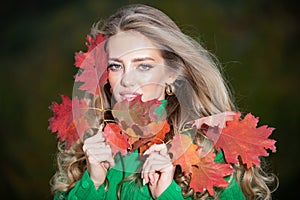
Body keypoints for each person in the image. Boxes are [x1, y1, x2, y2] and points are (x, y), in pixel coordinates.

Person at [49, 4, 277, 200]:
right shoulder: (87, 148)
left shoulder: (209, 150)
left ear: (171, 74)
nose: (127, 80)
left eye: (144, 65)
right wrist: (93, 184)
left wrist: (168, 192)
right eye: (116, 66)